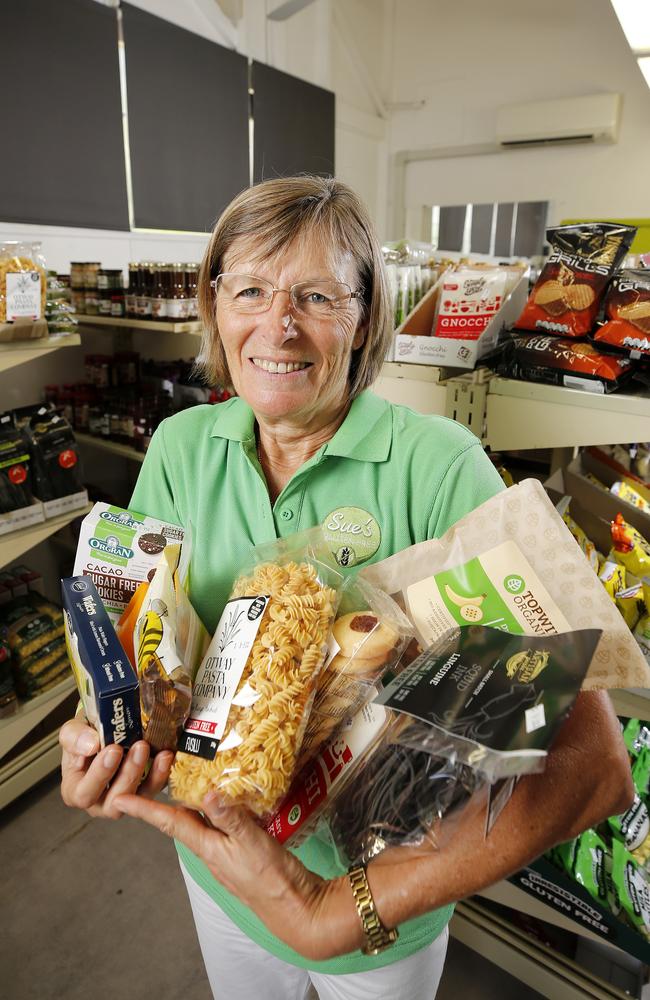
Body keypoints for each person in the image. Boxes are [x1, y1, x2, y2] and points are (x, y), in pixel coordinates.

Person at [59, 176, 633, 1000]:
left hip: (375, 923)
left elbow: (592, 764)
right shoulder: (182, 446)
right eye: (249, 289)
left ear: (365, 316)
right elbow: (155, 646)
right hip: (218, 878)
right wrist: (103, 733)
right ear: (214, 305)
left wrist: (333, 910)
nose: (277, 325)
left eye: (317, 295)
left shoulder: (440, 470)